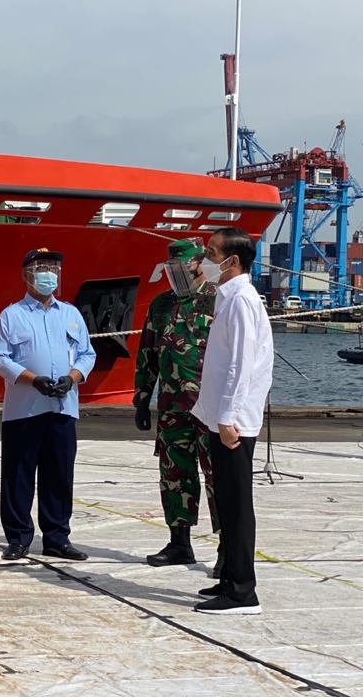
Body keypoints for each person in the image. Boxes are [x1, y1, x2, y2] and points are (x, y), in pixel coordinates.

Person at [0, 248, 96, 561]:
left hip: (62, 407)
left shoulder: (71, 314)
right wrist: (32, 379)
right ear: (27, 275)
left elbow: (87, 353)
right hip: (25, 409)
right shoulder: (12, 315)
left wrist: (73, 377)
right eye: (41, 267)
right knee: (19, 475)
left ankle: (57, 537)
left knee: (59, 476)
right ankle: (18, 537)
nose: (49, 273)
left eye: (53, 267)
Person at [191, 227, 272, 615]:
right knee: (226, 500)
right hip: (221, 417)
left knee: (238, 506)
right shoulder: (228, 298)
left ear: (232, 261)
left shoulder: (241, 301)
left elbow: (242, 365)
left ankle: (243, 591)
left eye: (211, 252)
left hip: (233, 422)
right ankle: (229, 578)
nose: (205, 260)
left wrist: (227, 418)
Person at [133, 238, 220, 568]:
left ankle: (227, 548)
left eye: (182, 267)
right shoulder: (161, 305)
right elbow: (147, 355)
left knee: (218, 479)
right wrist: (142, 400)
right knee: (174, 476)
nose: (177, 274)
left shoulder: (218, 300)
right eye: (172, 268)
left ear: (199, 265)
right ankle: (179, 542)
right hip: (172, 410)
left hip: (211, 408)